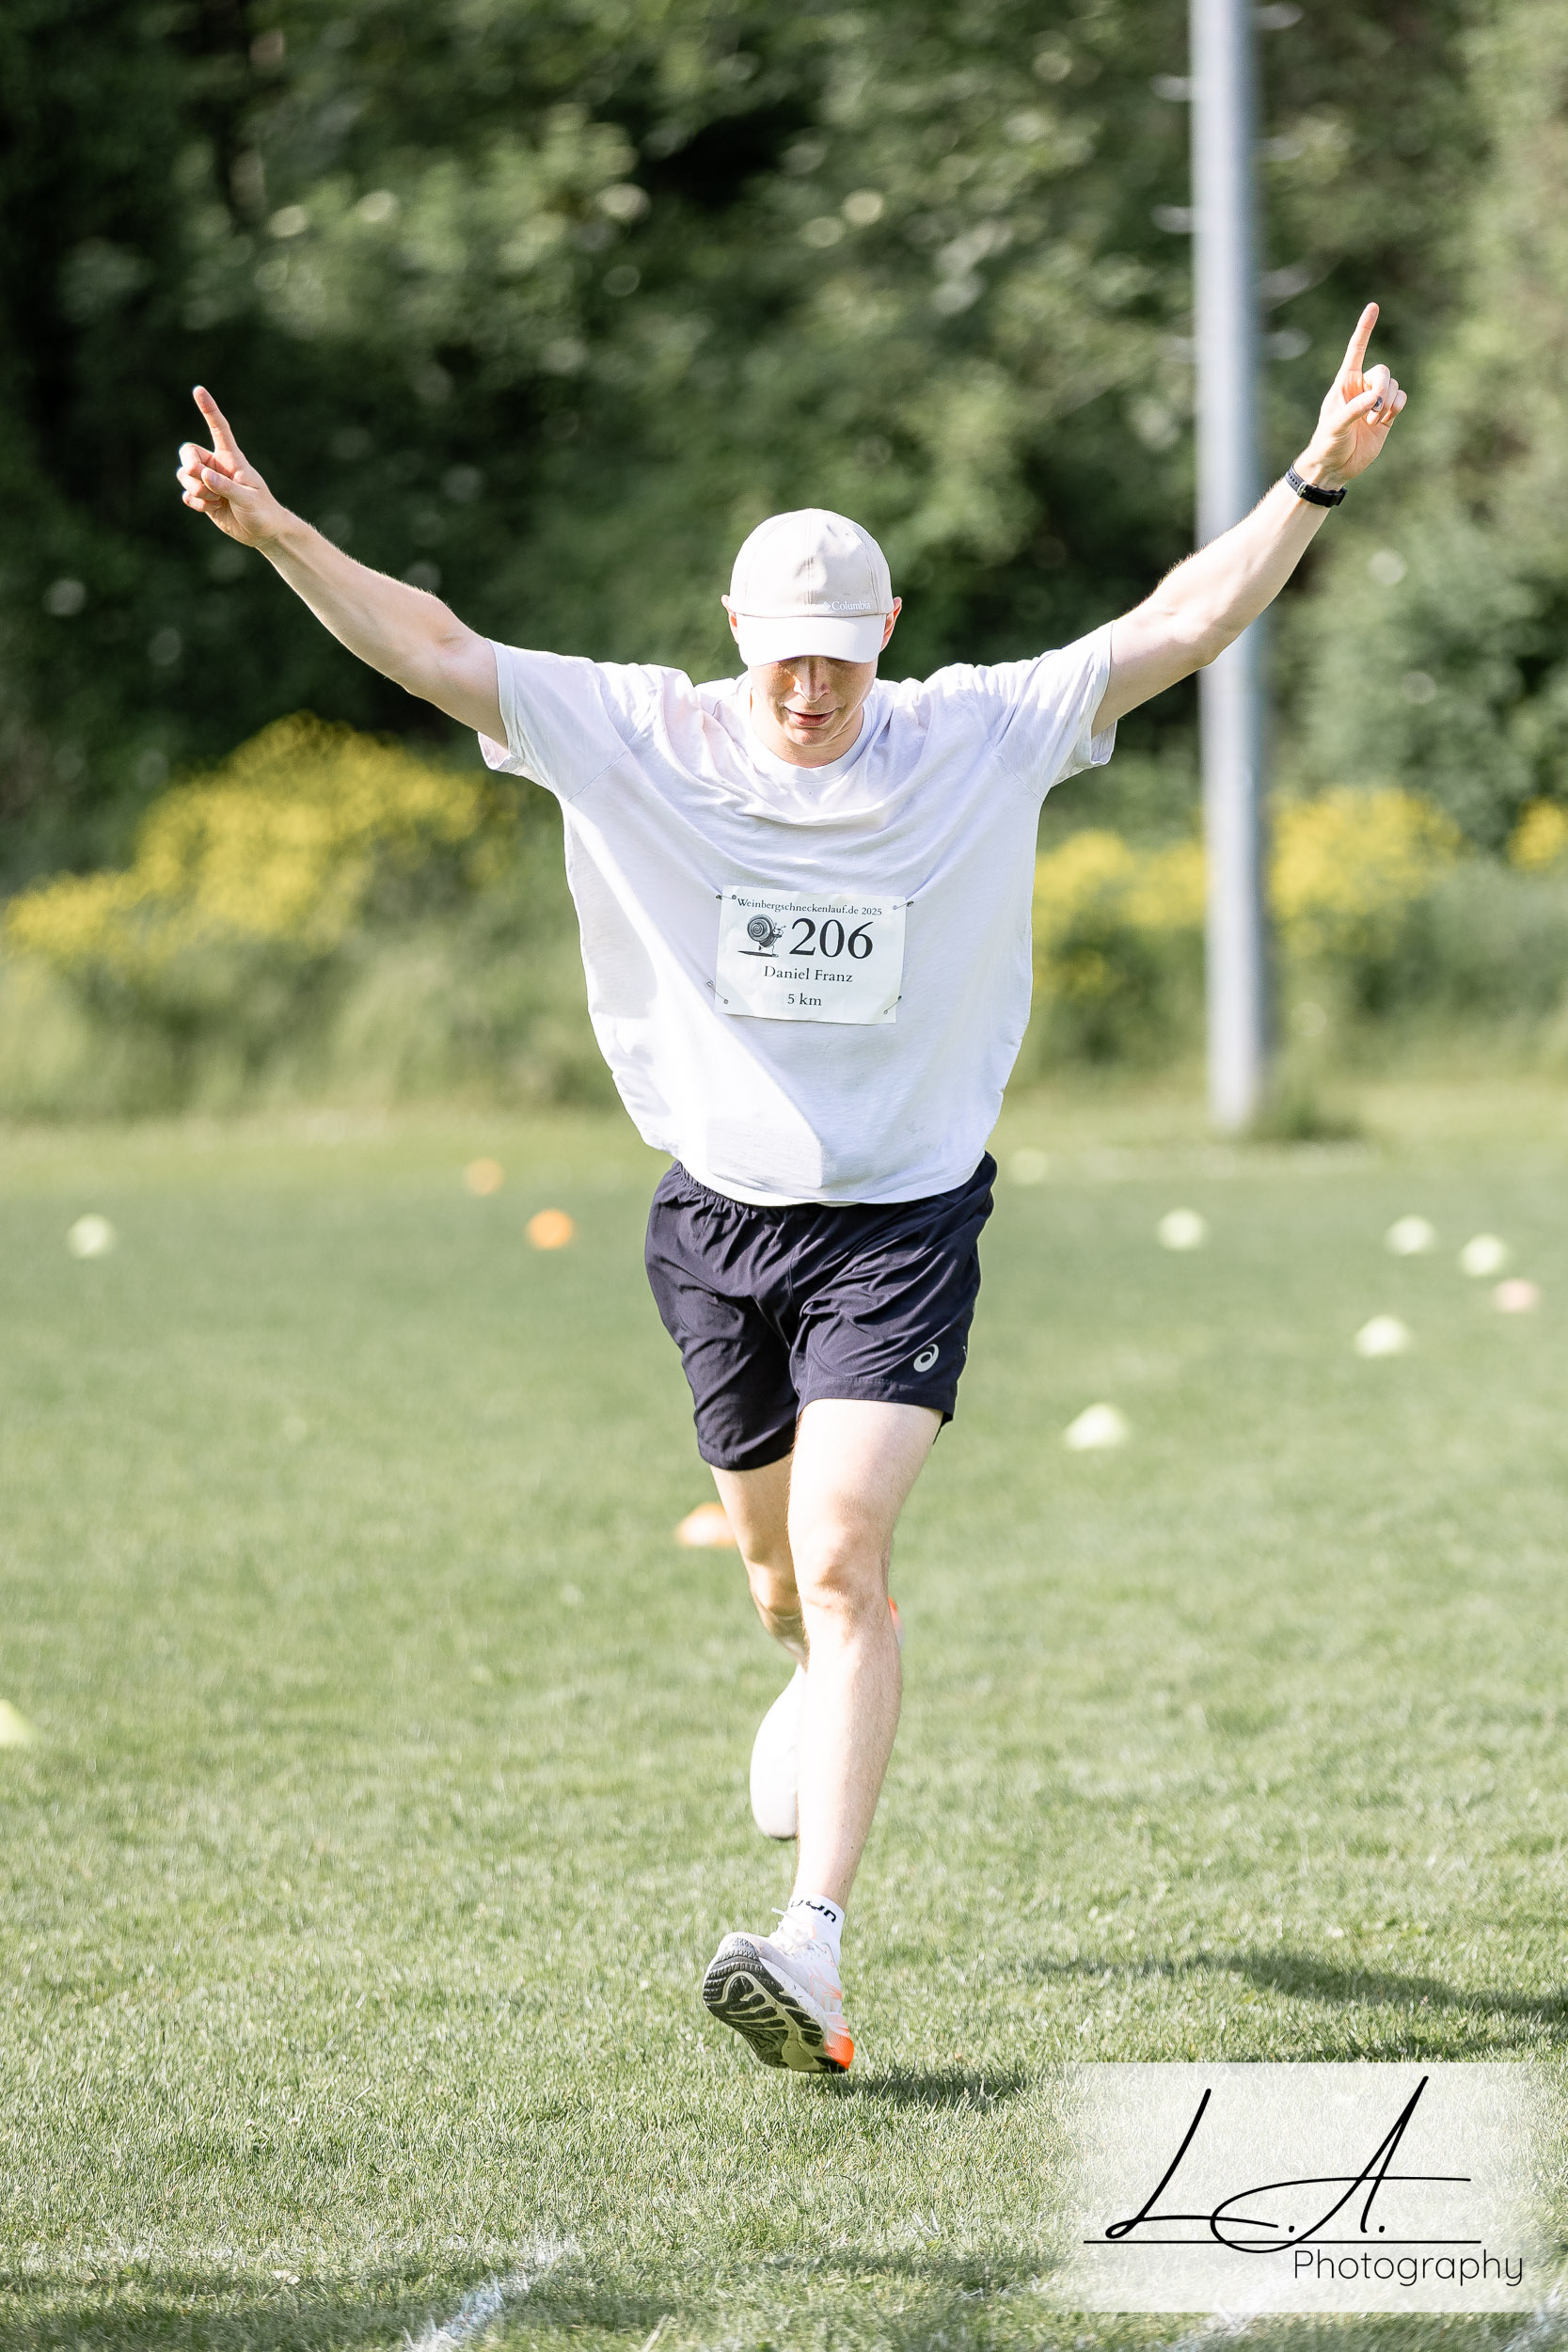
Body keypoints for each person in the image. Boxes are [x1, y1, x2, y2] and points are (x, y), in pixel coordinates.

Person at [176, 305, 1405, 2076]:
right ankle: (808, 1673)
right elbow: (434, 648)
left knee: (843, 1555)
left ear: (884, 635)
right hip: (718, 1221)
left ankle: (813, 1946)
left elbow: (1179, 623)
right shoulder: (641, 735)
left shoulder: (976, 734)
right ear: (735, 637)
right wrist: (280, 531)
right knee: (773, 1575)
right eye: (784, 664)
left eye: (840, 659)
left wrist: (1313, 480)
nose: (812, 693)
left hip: (902, 1221)